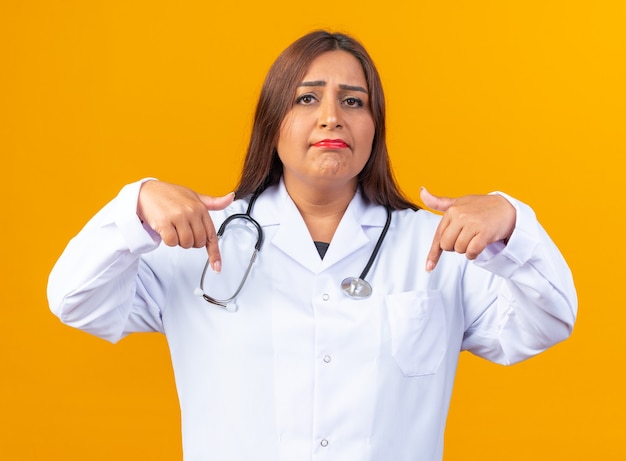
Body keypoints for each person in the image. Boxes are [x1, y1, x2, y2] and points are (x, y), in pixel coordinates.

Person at [48, 30, 577, 461]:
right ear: (272, 123)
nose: (332, 117)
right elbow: (74, 301)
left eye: (354, 101)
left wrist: (512, 223)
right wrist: (134, 206)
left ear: (375, 129)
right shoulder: (198, 242)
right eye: (307, 98)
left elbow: (546, 323)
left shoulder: (437, 246)